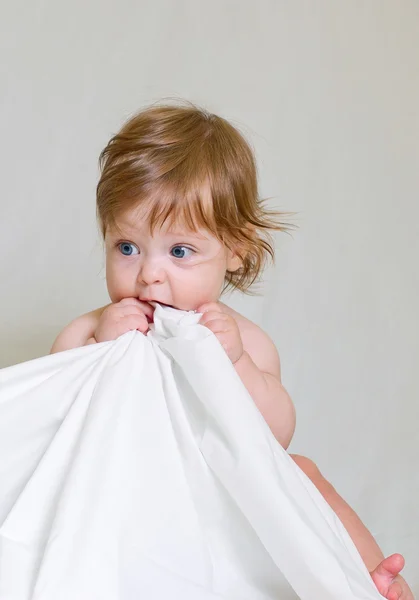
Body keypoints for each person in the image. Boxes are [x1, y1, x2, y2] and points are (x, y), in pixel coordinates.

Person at [51, 101, 413, 599]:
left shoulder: (246, 342)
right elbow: (51, 427)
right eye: (127, 247)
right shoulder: (90, 330)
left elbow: (275, 437)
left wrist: (236, 363)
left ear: (235, 249)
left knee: (303, 473)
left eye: (180, 252)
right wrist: (100, 351)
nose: (149, 273)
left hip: (222, 498)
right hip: (131, 495)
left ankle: (367, 580)